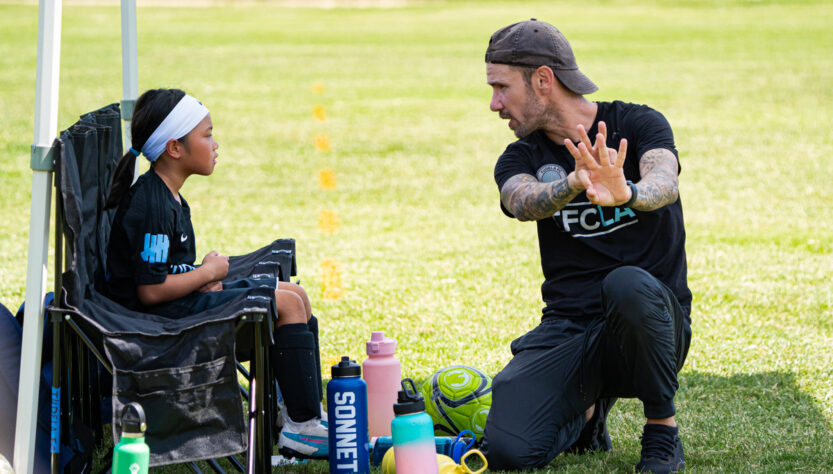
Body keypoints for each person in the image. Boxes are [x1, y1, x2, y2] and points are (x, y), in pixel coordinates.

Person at [481, 19, 692, 473]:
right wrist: (575, 181)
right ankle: (587, 416)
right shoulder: (522, 155)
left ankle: (661, 431)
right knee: (505, 451)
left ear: (542, 79)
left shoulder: (637, 123)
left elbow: (665, 181)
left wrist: (628, 193)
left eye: (501, 87)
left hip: (652, 323)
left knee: (627, 285)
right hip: (570, 326)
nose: (495, 104)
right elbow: (521, 200)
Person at [103, 88, 328, 458]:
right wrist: (205, 271)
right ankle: (301, 430)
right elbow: (150, 291)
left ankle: (297, 414)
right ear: (175, 148)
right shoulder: (153, 205)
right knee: (285, 304)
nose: (215, 143)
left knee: (294, 295)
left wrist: (199, 276)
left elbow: (161, 271)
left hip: (174, 308)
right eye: (206, 135)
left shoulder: (168, 195)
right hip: (160, 327)